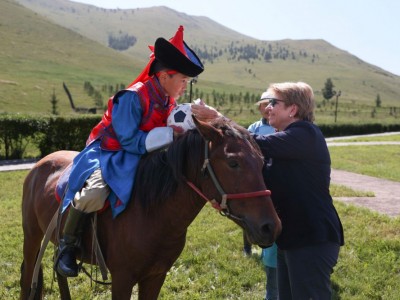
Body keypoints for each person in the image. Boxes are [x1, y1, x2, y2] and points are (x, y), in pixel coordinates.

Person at [55, 25, 204, 278]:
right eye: (183, 80)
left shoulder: (169, 100)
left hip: (144, 154)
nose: (184, 86)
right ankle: (67, 247)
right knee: (93, 193)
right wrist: (170, 135)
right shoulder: (131, 98)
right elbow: (128, 141)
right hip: (111, 153)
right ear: (166, 75)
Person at [192, 82, 344, 299]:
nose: (267, 108)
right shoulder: (284, 143)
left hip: (313, 239)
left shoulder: (305, 134)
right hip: (291, 239)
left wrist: (218, 117)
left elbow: (250, 142)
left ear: (293, 109)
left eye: (274, 102)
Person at [246, 93, 278, 300]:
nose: (267, 108)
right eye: (264, 105)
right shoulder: (254, 128)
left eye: (270, 104)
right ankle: (250, 245)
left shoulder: (280, 127)